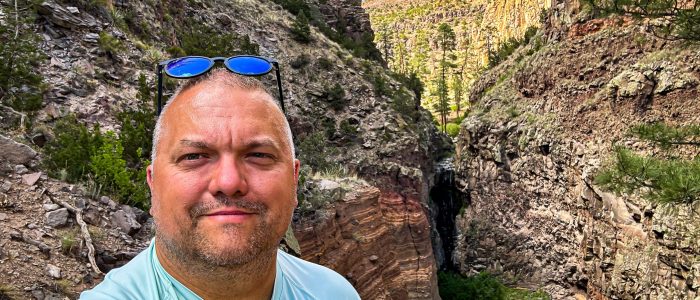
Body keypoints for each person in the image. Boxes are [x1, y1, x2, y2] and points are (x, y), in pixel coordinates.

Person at [80, 68, 360, 299]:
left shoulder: (333, 293)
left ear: (294, 181)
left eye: (259, 155)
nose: (229, 182)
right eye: (194, 156)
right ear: (153, 184)